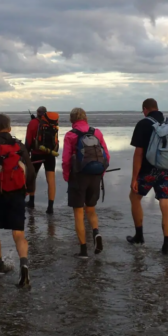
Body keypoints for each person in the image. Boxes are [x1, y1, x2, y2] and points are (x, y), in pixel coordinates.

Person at [0, 114, 37, 287]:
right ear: (10, 128)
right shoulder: (19, 146)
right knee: (18, 233)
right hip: (18, 194)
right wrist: (29, 190)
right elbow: (31, 171)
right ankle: (24, 265)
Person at [126, 98, 168, 255]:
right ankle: (166, 247)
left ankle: (139, 236)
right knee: (166, 204)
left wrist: (134, 178)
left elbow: (138, 153)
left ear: (145, 109)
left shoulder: (143, 124)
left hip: (149, 170)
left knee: (134, 197)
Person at [62, 108, 110, 259]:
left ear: (72, 120)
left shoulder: (71, 135)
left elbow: (66, 160)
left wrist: (67, 176)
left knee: (78, 213)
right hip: (95, 175)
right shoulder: (97, 133)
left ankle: (83, 250)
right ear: (85, 118)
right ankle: (96, 232)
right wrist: (100, 173)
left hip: (78, 176)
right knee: (91, 209)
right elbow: (106, 155)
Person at [25, 106, 59, 214]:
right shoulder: (52, 124)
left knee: (32, 177)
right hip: (50, 154)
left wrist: (27, 153)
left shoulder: (33, 123)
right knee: (51, 180)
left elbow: (28, 141)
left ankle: (31, 201)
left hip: (36, 154)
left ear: (37, 113)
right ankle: (50, 207)